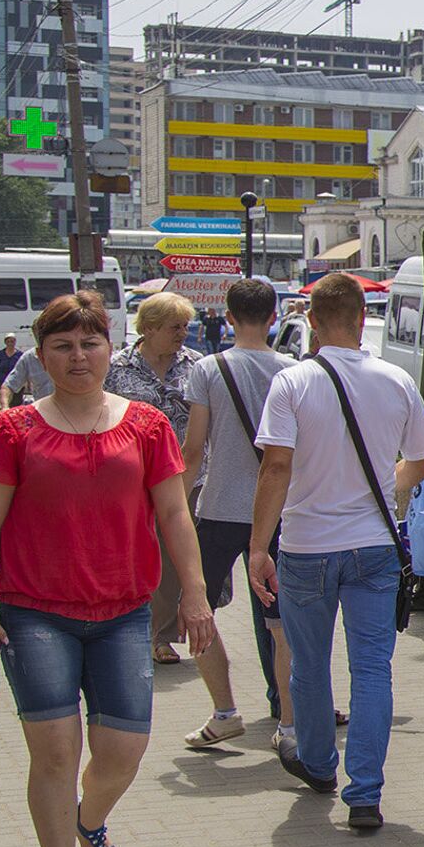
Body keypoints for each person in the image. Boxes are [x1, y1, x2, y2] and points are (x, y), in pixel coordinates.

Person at [0, 293, 215, 847]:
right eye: (63, 346)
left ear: (109, 348)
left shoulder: (146, 427)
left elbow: (174, 514)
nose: (78, 356)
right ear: (42, 356)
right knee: (53, 755)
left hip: (124, 612)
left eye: (90, 343)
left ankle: (89, 819)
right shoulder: (11, 430)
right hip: (33, 613)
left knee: (123, 752)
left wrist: (193, 592)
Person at [248, 273, 424, 831]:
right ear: (362, 320)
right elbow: (423, 462)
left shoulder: (292, 382)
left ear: (311, 321)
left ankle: (318, 763)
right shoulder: (396, 380)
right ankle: (366, 793)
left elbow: (276, 467)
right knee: (372, 669)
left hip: (305, 545)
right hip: (374, 546)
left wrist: (258, 547)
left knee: (309, 664)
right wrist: (383, 490)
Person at [180, 279, 299, 752]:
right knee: (282, 622)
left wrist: (175, 507)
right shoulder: (294, 370)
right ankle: (289, 723)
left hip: (219, 508)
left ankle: (225, 712)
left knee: (199, 610)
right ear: (274, 317)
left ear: (228, 318)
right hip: (278, 510)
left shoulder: (208, 368)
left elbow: (194, 449)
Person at [106, 292, 203, 665]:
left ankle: (161, 636)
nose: (182, 333)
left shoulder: (197, 365)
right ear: (147, 328)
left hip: (185, 476)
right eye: (174, 327)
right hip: (130, 477)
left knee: (171, 557)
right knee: (132, 553)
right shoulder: (116, 368)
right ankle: (124, 628)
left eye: (185, 326)